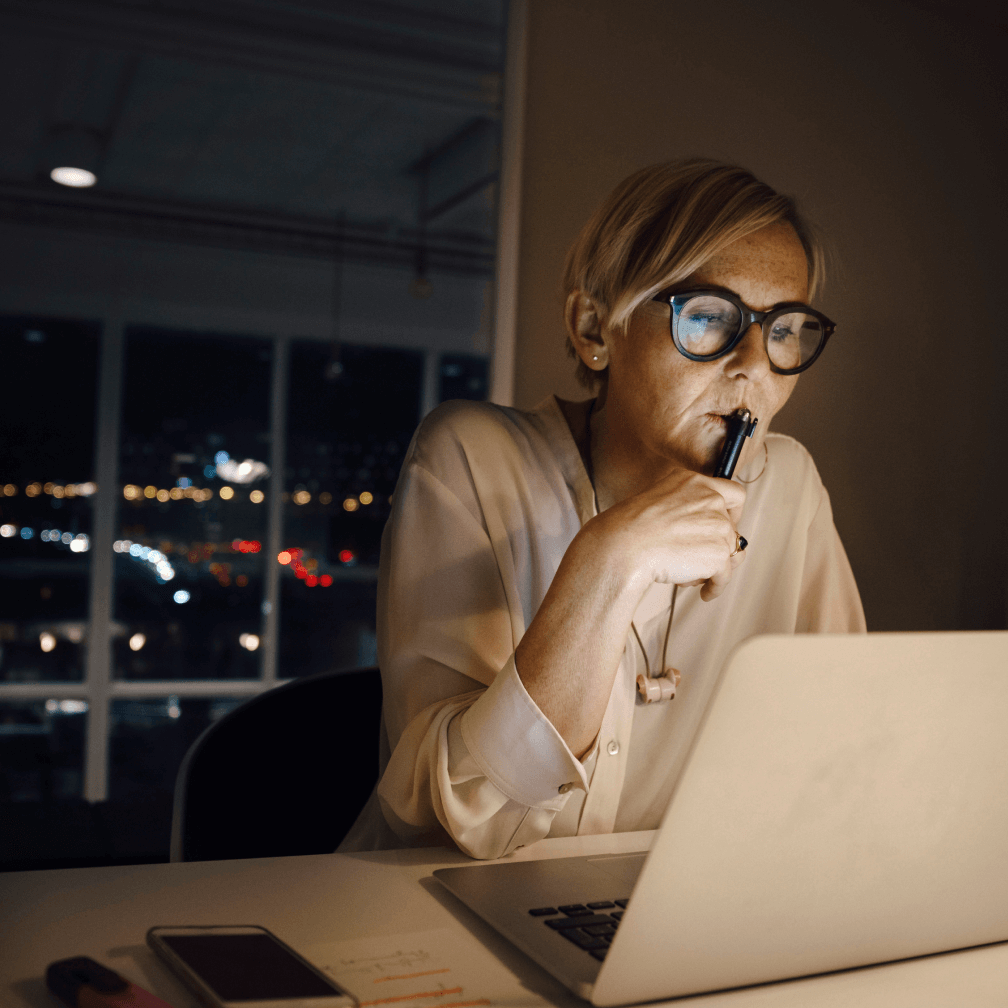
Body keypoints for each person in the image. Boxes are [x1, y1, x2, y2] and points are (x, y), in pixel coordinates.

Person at [339, 158, 866, 860]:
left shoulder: (789, 484)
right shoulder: (470, 456)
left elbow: (848, 752)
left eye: (784, 329)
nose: (754, 365)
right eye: (709, 317)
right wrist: (610, 559)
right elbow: (462, 818)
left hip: (673, 907)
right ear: (593, 329)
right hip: (430, 899)